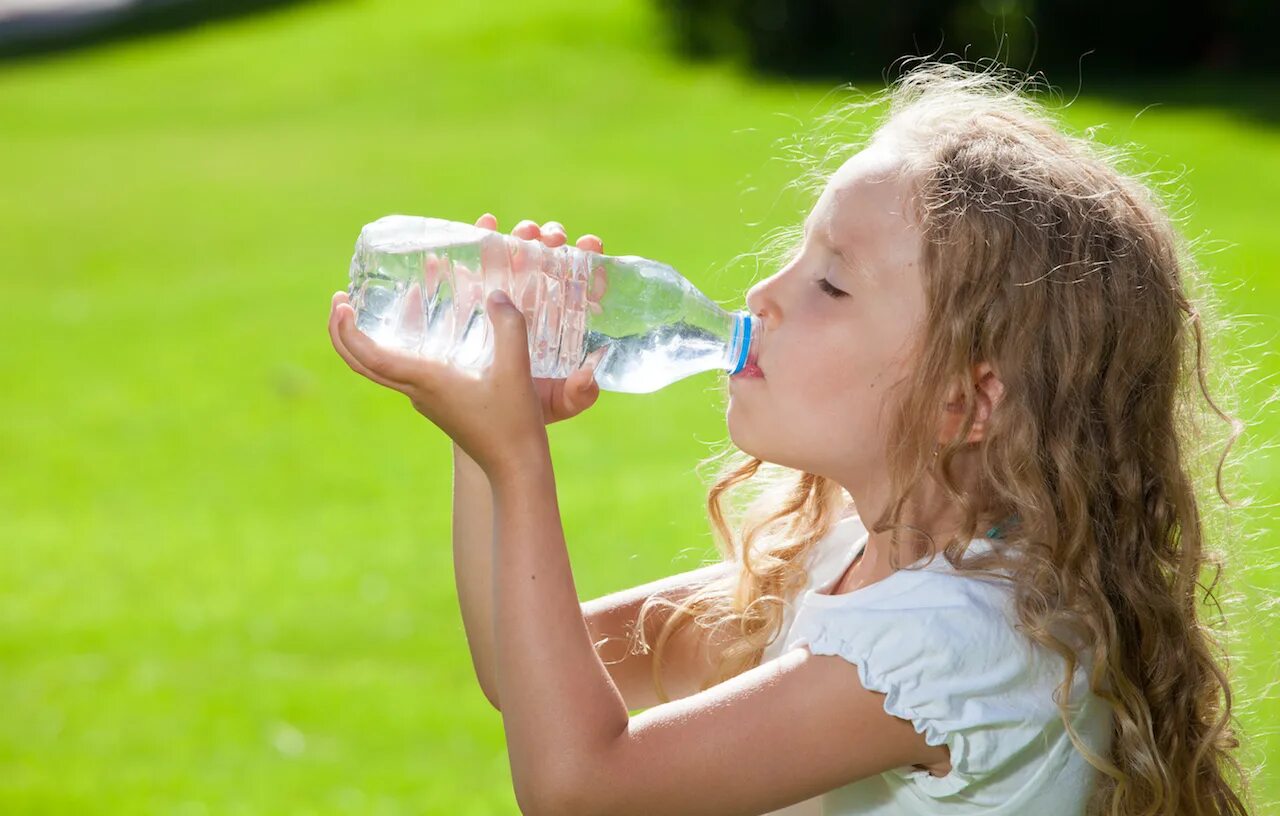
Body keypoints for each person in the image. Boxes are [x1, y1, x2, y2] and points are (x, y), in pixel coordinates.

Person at [327, 60, 1254, 815]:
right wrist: (487, 418)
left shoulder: (961, 639)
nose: (765, 292)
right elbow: (527, 675)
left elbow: (580, 785)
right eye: (799, 254)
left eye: (833, 285)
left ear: (966, 406)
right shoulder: (842, 555)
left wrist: (516, 462)